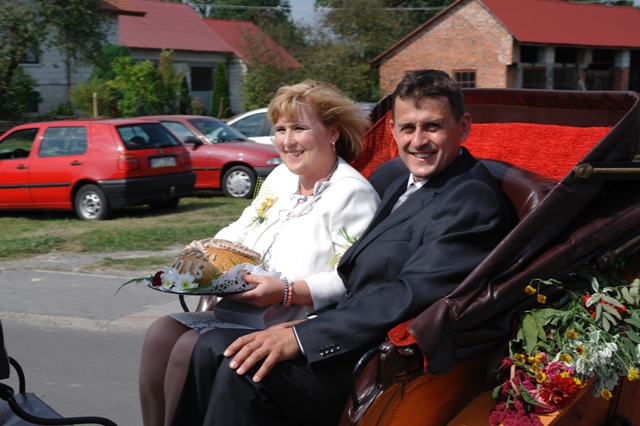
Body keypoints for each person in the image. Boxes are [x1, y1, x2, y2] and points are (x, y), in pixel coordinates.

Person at [171, 69, 515, 426]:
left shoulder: (470, 198)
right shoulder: (401, 180)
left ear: (463, 127)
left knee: (242, 369)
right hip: (340, 328)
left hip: (375, 358)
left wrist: (303, 336)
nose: (418, 141)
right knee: (210, 347)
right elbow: (360, 273)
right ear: (393, 129)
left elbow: (410, 293)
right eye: (407, 128)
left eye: (433, 126)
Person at [138, 80, 380, 426]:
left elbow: (352, 280)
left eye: (299, 128)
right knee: (160, 333)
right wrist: (204, 252)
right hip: (243, 307)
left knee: (187, 346)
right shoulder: (279, 177)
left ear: (332, 133)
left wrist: (284, 292)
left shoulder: (353, 193)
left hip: (293, 321)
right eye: (280, 130)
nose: (287, 141)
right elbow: (243, 227)